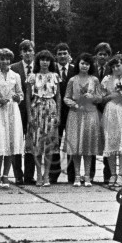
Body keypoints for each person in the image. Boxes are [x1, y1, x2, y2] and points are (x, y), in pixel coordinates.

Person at [63, 53, 103, 186]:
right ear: (78, 64)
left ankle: (87, 176)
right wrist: (74, 104)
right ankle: (76, 176)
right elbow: (66, 97)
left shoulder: (95, 80)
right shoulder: (72, 80)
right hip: (75, 114)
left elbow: (100, 97)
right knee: (75, 146)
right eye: (82, 63)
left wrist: (92, 97)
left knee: (88, 145)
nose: (84, 66)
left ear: (90, 66)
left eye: (87, 64)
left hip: (90, 114)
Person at [0, 48, 24, 187]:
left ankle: (5, 175)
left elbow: (21, 94)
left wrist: (17, 97)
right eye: (2, 59)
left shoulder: (16, 76)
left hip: (12, 110)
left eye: (7, 59)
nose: (5, 61)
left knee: (10, 142)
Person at [101, 54, 122, 188]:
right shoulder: (107, 79)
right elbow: (102, 98)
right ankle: (113, 173)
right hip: (111, 110)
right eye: (113, 66)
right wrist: (112, 95)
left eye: (118, 65)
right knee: (111, 140)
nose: (116, 68)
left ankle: (121, 174)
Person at [26, 50, 60, 186]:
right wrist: (29, 115)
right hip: (37, 109)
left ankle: (47, 175)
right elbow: (28, 96)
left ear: (51, 62)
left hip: (51, 109)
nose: (45, 62)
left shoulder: (55, 76)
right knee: (37, 143)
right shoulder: (32, 76)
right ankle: (38, 174)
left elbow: (58, 96)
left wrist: (58, 114)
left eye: (47, 60)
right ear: (38, 61)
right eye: (42, 59)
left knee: (49, 144)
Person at [49, 42, 76, 185]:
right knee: (55, 142)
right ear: (56, 56)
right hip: (55, 111)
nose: (62, 56)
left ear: (69, 55)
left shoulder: (74, 70)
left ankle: (72, 174)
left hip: (72, 111)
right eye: (59, 54)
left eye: (65, 53)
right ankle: (54, 172)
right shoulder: (51, 70)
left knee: (71, 142)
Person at [10, 40, 36, 185]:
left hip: (34, 110)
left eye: (30, 50)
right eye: (24, 50)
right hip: (18, 111)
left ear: (34, 52)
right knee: (17, 142)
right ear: (21, 53)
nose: (27, 53)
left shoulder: (38, 69)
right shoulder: (14, 68)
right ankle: (18, 174)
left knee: (31, 144)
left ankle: (29, 175)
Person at [91, 42, 113, 183]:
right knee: (93, 142)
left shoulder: (112, 69)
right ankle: (90, 173)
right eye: (100, 54)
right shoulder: (91, 69)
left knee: (107, 141)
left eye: (105, 54)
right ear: (96, 55)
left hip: (107, 109)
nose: (102, 57)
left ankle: (108, 174)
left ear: (108, 56)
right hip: (92, 109)